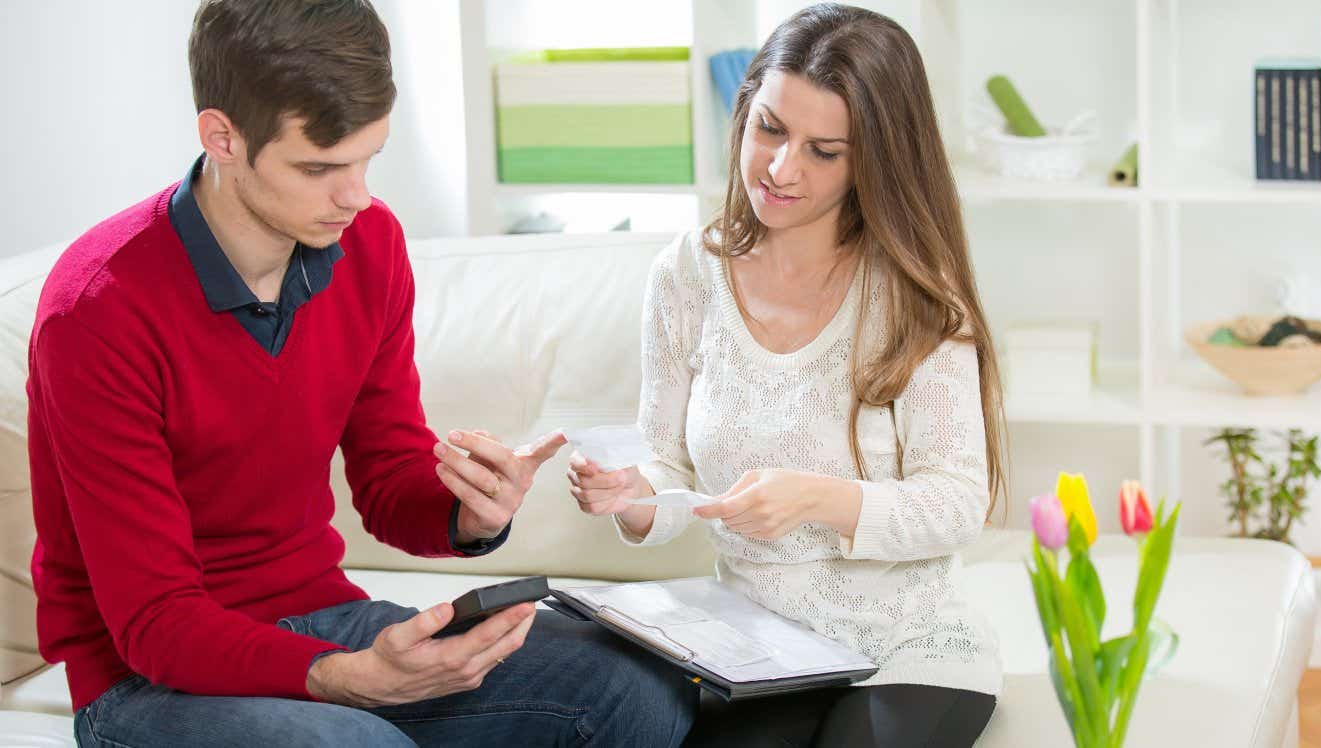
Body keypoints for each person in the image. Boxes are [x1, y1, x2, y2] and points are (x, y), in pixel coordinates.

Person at [26, 1, 696, 745]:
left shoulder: (370, 244)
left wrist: (467, 514)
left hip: (323, 614)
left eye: (367, 158)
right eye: (319, 167)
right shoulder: (96, 311)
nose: (357, 196)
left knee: (634, 685)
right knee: (357, 743)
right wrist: (344, 679)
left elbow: (385, 481)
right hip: (146, 681)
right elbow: (155, 622)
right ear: (222, 138)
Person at [567, 3, 1006, 746]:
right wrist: (631, 497)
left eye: (823, 150)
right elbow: (665, 466)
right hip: (759, 649)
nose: (779, 167)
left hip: (913, 652)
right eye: (769, 128)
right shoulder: (685, 276)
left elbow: (960, 502)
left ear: (874, 159)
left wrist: (819, 500)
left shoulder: (914, 295)